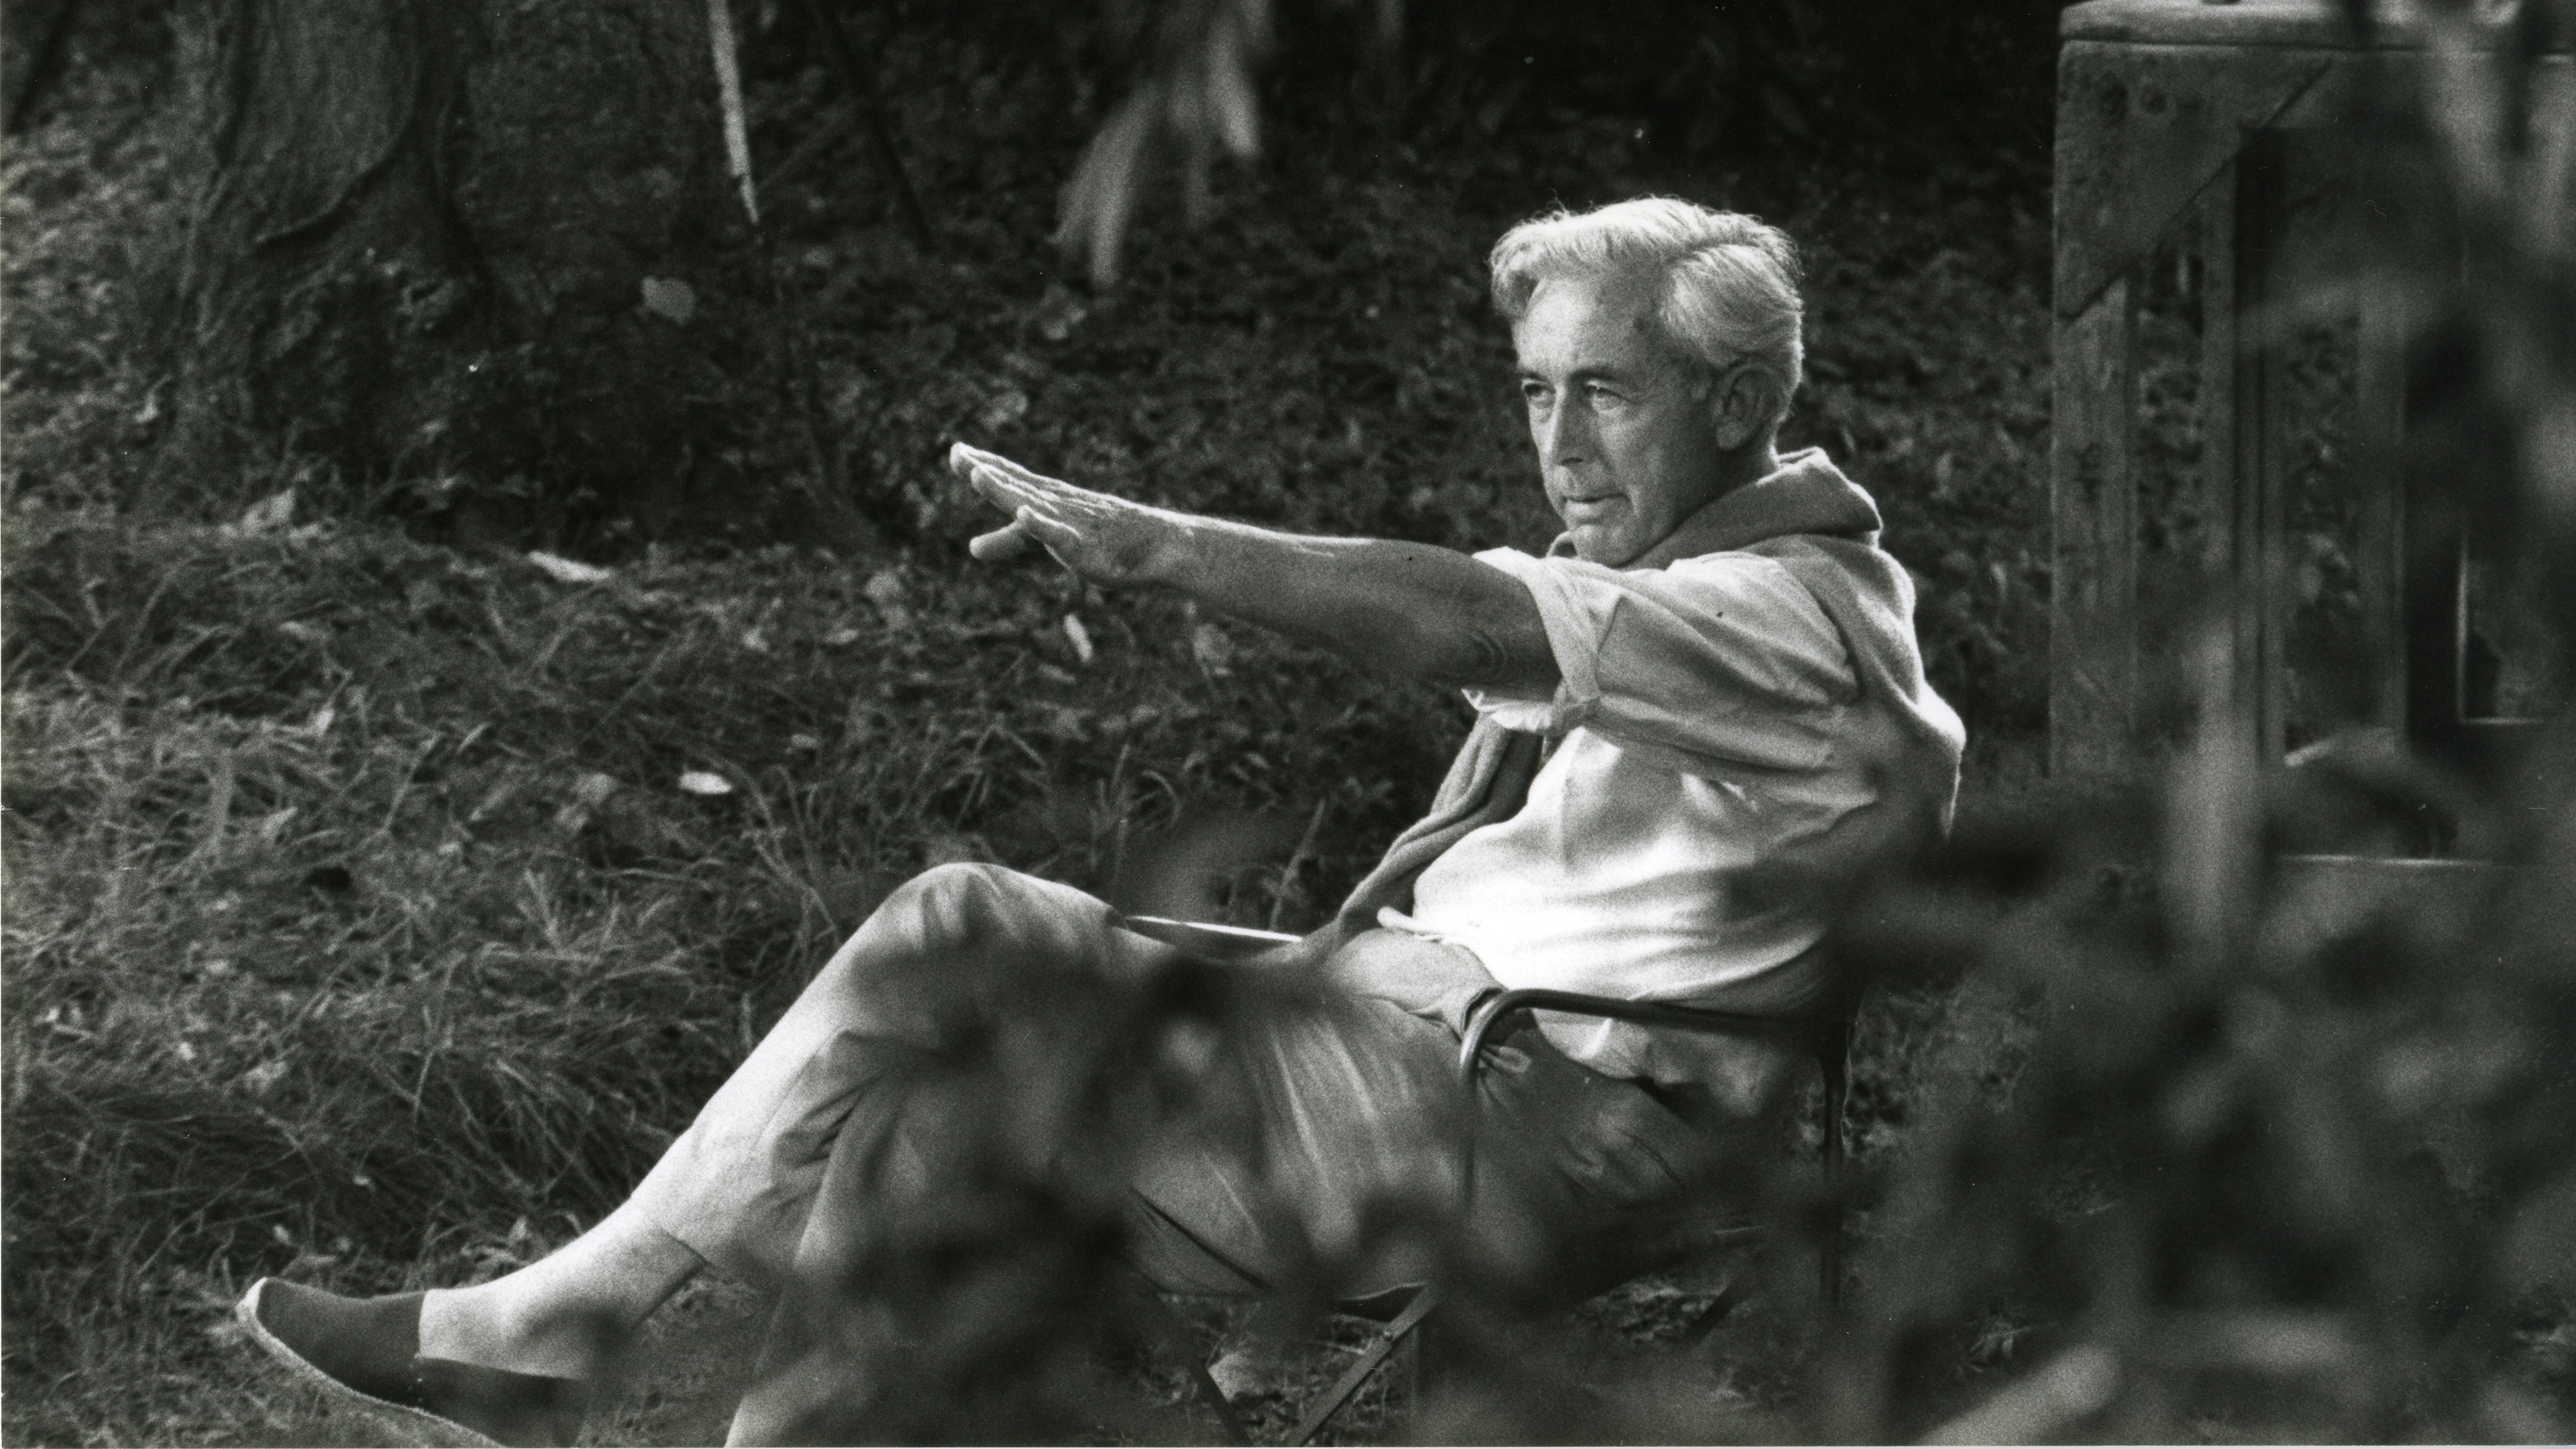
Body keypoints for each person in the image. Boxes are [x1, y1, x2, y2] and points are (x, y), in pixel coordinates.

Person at [235, 197, 1965, 1446]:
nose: (1561, 445)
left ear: (1738, 404)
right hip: (1439, 1047)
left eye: (1608, 392)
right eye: (1537, 391)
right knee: (930, 1124)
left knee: (962, 926)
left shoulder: (1782, 614)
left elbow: (1458, 617)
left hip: (1539, 1122)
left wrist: (1160, 545)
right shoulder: (1695, 591)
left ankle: (548, 1331)